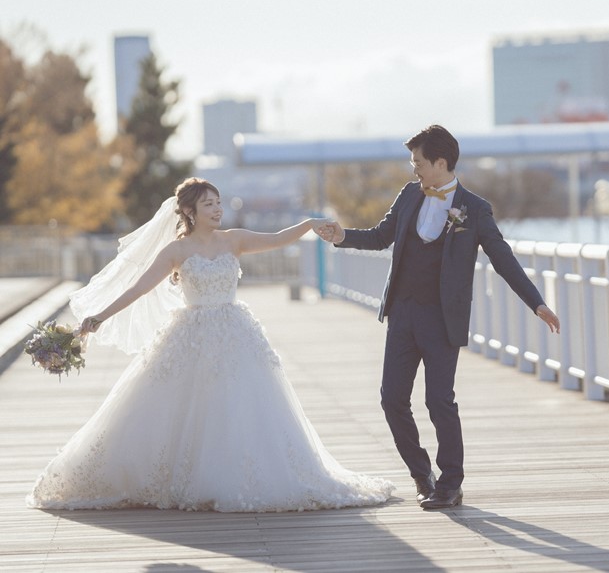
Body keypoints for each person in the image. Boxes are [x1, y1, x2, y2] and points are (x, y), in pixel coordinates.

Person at [27, 177, 394, 512]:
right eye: (208, 204)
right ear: (189, 211)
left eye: (218, 203)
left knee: (242, 406)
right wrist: (96, 319)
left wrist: (310, 224)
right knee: (181, 408)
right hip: (189, 335)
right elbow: (138, 289)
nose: (217, 209)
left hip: (235, 331)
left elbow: (277, 238)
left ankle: (238, 477)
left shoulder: (233, 239)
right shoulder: (176, 250)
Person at [317, 124, 560, 510]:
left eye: (418, 163)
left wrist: (536, 302)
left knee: (439, 401)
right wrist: (341, 236)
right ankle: (421, 473)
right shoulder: (410, 194)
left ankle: (450, 483)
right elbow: (382, 236)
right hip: (402, 312)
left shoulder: (475, 209)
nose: (414, 169)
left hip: (443, 319)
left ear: (440, 162)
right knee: (391, 399)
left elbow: (502, 259)